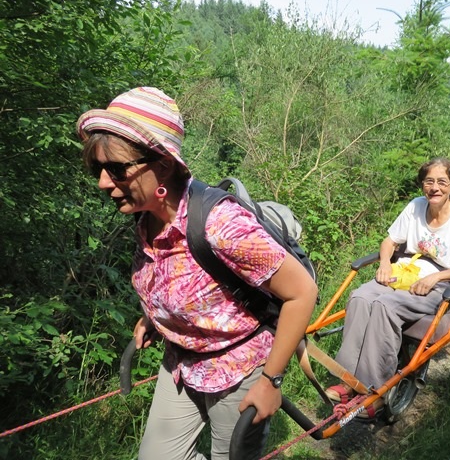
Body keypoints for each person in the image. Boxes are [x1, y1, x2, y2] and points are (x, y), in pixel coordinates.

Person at [76, 87, 318, 460]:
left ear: (164, 165)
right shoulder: (145, 217)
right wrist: (155, 318)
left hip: (240, 369)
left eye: (118, 169)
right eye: (98, 169)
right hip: (180, 363)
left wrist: (272, 381)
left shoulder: (221, 225)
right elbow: (176, 279)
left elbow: (302, 293)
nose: (104, 183)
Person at [325, 158, 450, 419]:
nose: (434, 188)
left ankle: (373, 390)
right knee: (360, 297)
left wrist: (437, 278)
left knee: (384, 307)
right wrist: (386, 263)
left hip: (437, 284)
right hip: (403, 273)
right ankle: (347, 381)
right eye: (429, 181)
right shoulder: (416, 206)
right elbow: (389, 241)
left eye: (442, 182)